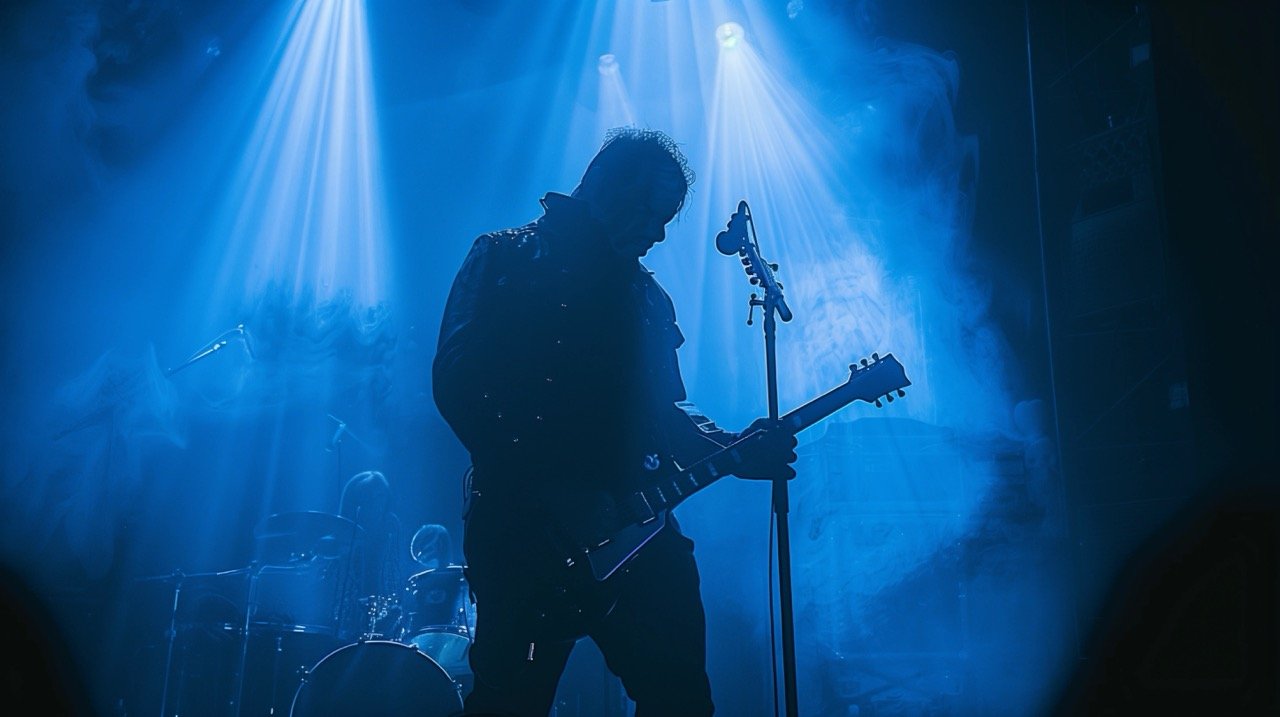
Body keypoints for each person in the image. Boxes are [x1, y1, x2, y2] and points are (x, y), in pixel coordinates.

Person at [432, 127, 798, 716]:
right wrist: (553, 491)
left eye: (667, 218)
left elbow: (666, 414)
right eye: (651, 212)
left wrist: (731, 447)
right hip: (527, 531)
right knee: (510, 703)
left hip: (641, 530)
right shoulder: (504, 256)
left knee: (681, 699)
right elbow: (460, 384)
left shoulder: (649, 298)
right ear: (606, 189)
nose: (657, 232)